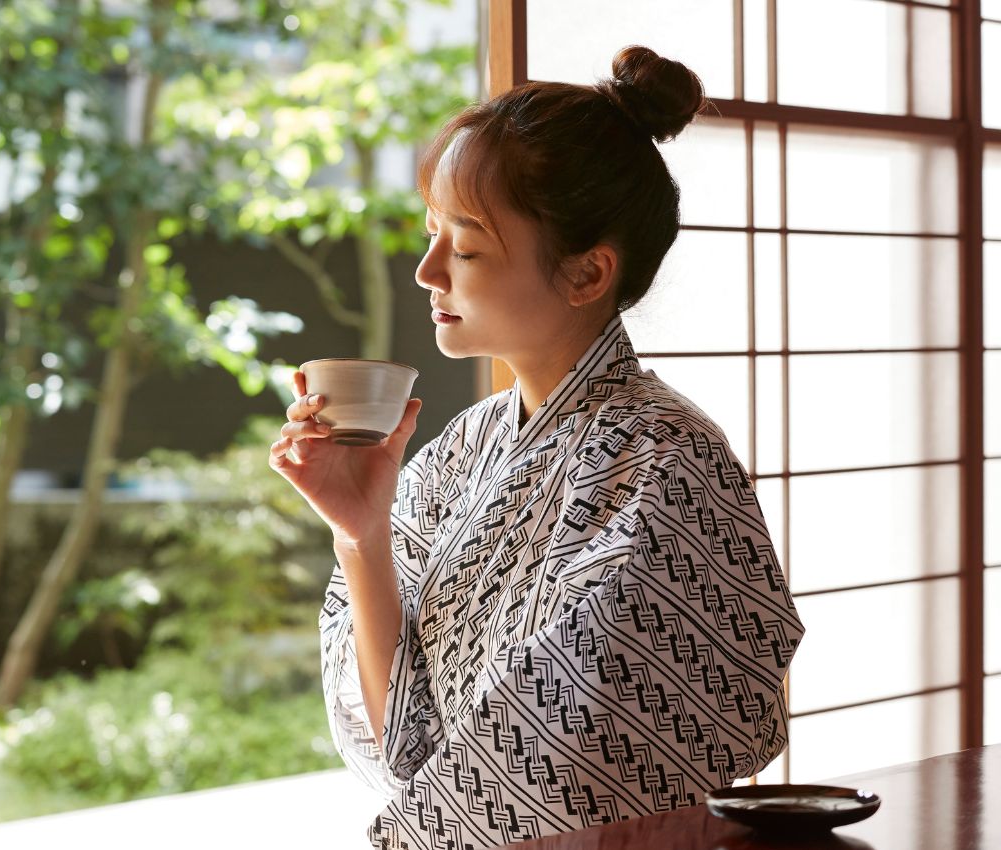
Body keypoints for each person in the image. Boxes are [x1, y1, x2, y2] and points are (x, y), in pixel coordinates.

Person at [269, 45, 805, 850]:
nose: (426, 271)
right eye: (430, 234)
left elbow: (575, 764)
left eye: (468, 247)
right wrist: (360, 532)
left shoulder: (667, 460)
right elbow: (407, 749)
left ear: (588, 272)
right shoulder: (463, 447)